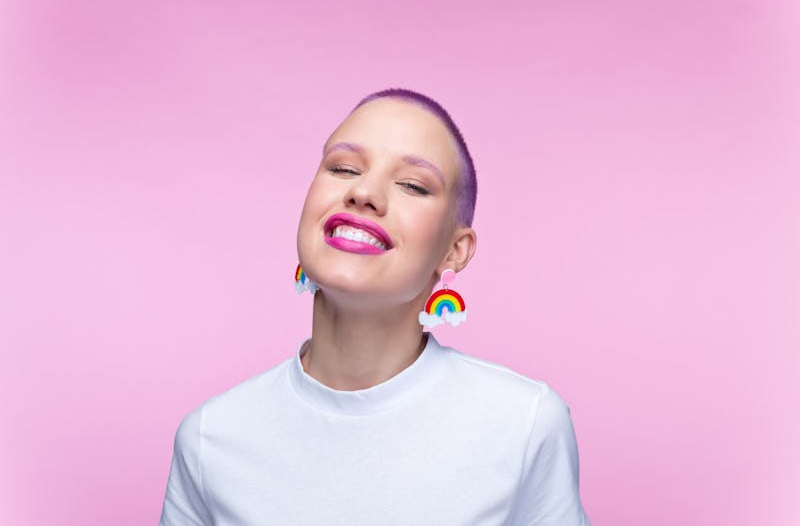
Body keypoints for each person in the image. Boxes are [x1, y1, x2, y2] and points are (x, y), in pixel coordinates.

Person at [159, 89, 591, 525]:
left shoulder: (524, 423)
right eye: (343, 168)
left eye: (412, 185)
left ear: (455, 250)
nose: (363, 192)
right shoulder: (210, 439)